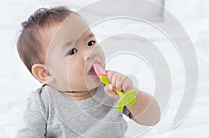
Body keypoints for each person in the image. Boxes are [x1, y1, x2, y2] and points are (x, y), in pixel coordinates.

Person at [16, 6, 160, 138]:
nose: (90, 53)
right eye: (72, 51)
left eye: (91, 43)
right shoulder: (43, 102)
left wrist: (132, 93)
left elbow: (152, 118)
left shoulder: (112, 86)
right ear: (45, 73)